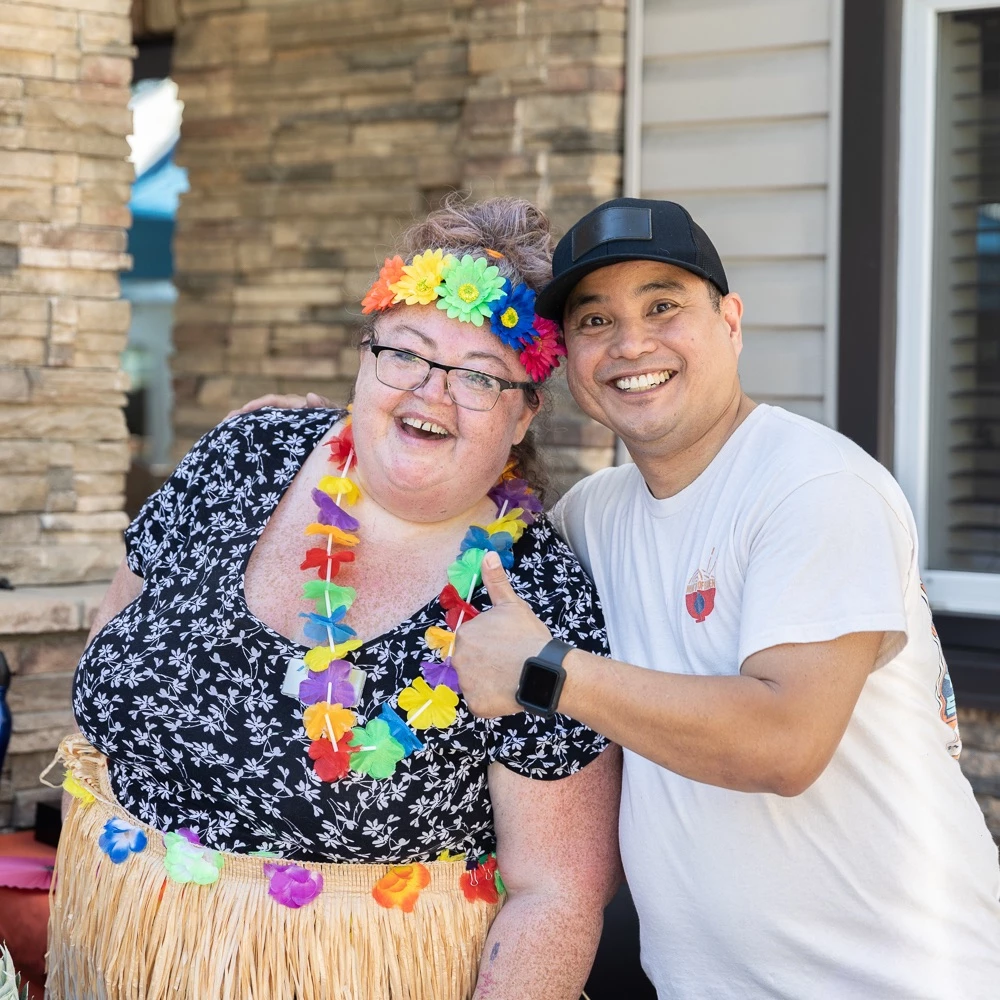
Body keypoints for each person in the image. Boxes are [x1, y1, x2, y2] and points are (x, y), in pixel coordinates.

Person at [271, 198, 1000, 998]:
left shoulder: (815, 487)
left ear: (730, 322)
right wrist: (319, 435)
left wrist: (547, 671)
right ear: (569, 363)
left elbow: (784, 744)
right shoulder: (596, 516)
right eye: (595, 321)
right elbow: (446, 477)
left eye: (663, 306)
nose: (631, 344)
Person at [52, 197, 620, 1000]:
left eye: (479, 375)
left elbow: (555, 893)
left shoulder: (537, 599)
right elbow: (113, 640)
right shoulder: (246, 455)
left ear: (525, 410)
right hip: (112, 946)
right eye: (406, 353)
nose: (430, 392)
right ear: (365, 355)